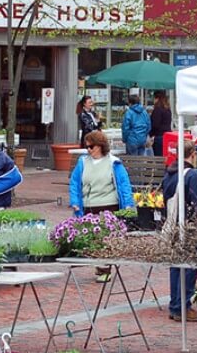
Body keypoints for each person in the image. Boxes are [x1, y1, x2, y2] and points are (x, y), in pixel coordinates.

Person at [69, 130, 135, 283]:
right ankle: (99, 266)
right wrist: (75, 201)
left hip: (108, 205)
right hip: (88, 205)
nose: (89, 150)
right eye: (87, 147)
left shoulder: (114, 162)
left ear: (99, 146)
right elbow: (75, 183)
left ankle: (105, 269)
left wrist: (128, 206)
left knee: (105, 238)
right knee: (92, 238)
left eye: (91, 147)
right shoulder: (82, 162)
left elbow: (124, 185)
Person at [161, 140, 197, 322]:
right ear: (193, 154)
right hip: (188, 226)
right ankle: (183, 307)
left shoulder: (169, 174)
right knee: (189, 266)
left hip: (172, 225)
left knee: (175, 266)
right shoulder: (192, 175)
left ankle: (175, 305)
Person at [150, 91, 172, 156]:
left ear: (157, 99)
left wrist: (150, 134)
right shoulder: (168, 109)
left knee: (158, 158)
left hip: (159, 137)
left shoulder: (158, 109)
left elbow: (155, 125)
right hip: (167, 136)